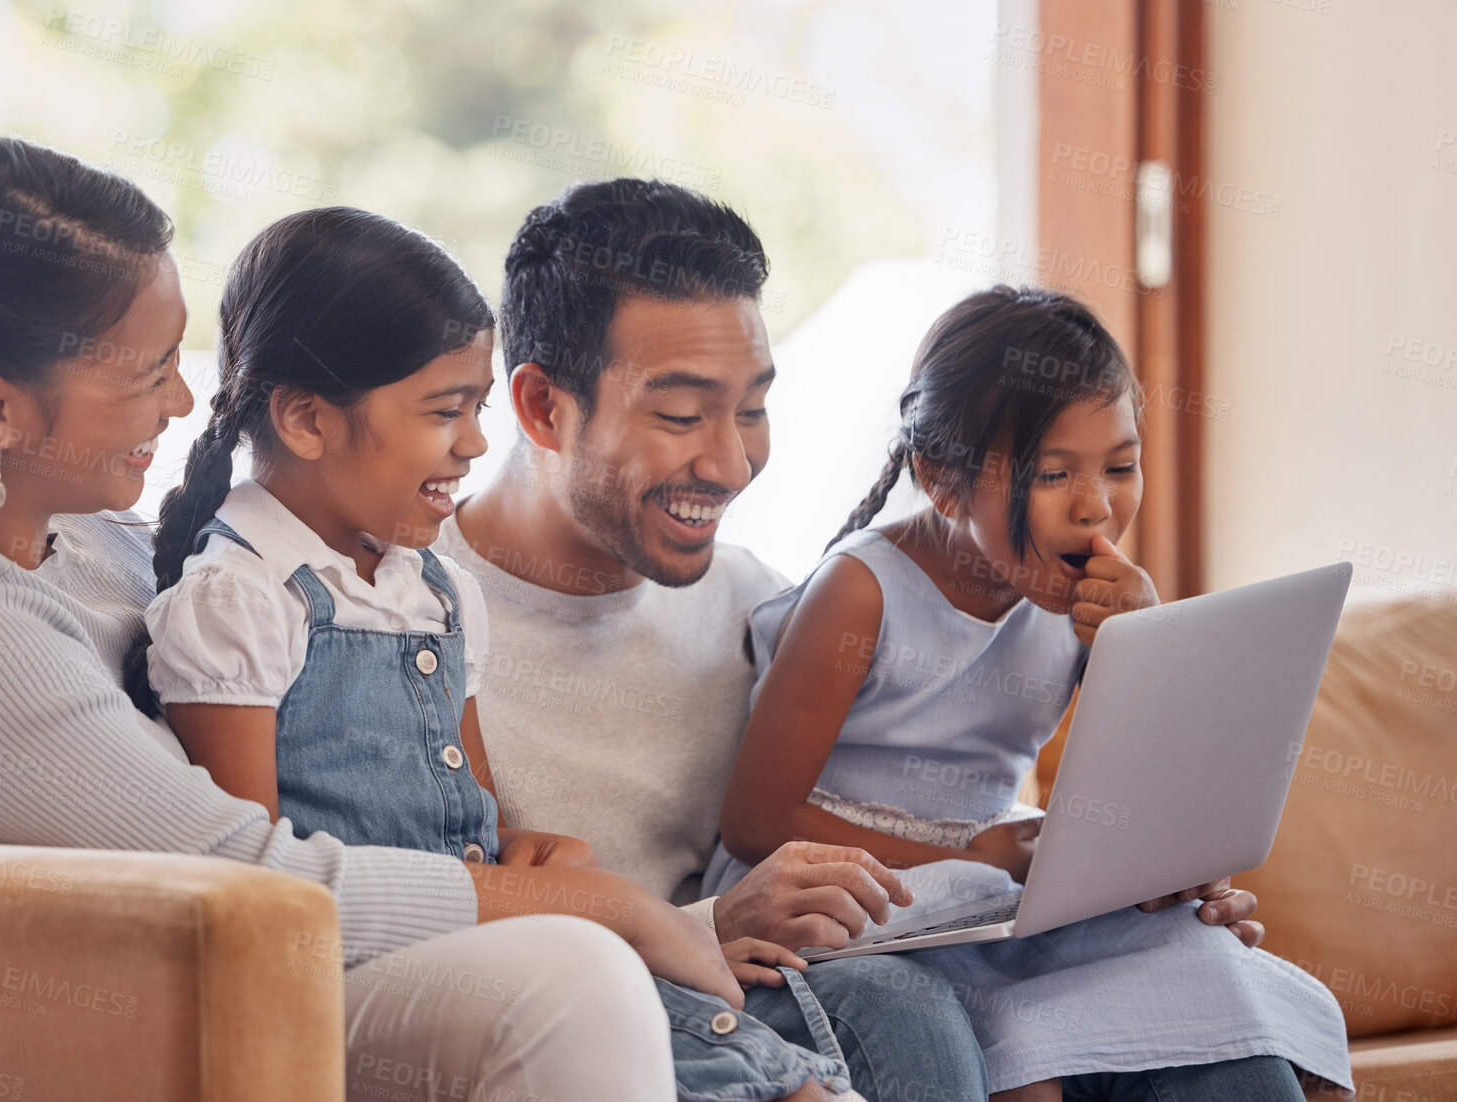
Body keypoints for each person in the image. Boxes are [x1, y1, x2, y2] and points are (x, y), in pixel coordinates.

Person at [0, 136, 681, 1100]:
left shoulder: (78, 542)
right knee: (567, 978)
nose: (181, 400)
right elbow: (245, 877)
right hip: (73, 1045)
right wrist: (595, 906)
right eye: (147, 374)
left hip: (189, 996)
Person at [440, 177, 1276, 1102]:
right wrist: (717, 920)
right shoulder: (405, 630)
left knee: (1196, 1000)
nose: (731, 464)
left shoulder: (753, 602)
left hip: (824, 971)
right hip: (649, 1026)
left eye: (752, 409)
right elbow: (426, 935)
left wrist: (1152, 891)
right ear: (542, 406)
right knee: (894, 1006)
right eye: (682, 415)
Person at [129, 205, 855, 1102]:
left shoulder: (434, 590)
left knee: (797, 1082)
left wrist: (529, 851)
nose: (474, 442)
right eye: (444, 412)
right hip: (370, 969)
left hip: (491, 937)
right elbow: (254, 890)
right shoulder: (237, 602)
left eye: (474, 408)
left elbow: (474, 815)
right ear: (306, 421)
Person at [707, 284, 1354, 1101]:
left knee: (1214, 975)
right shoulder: (863, 591)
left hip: (986, 901)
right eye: (1054, 474)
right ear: (942, 480)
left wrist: (1177, 859)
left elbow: (1145, 792)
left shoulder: (1083, 604)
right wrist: (964, 856)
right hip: (844, 900)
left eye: (1122, 466)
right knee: (1022, 1061)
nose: (1098, 506)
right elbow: (757, 818)